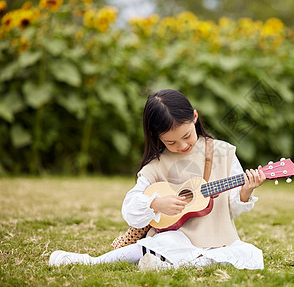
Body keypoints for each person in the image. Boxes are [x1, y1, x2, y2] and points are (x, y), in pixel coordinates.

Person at [49, 89, 266, 270]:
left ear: (195, 117)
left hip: (218, 241)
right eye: (171, 142)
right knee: (157, 244)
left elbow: (233, 209)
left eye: (187, 136)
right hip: (174, 240)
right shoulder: (156, 164)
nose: (182, 146)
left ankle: (165, 264)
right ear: (158, 137)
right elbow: (130, 209)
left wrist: (246, 192)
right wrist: (155, 203)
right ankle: (91, 261)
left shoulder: (222, 152)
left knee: (247, 255)